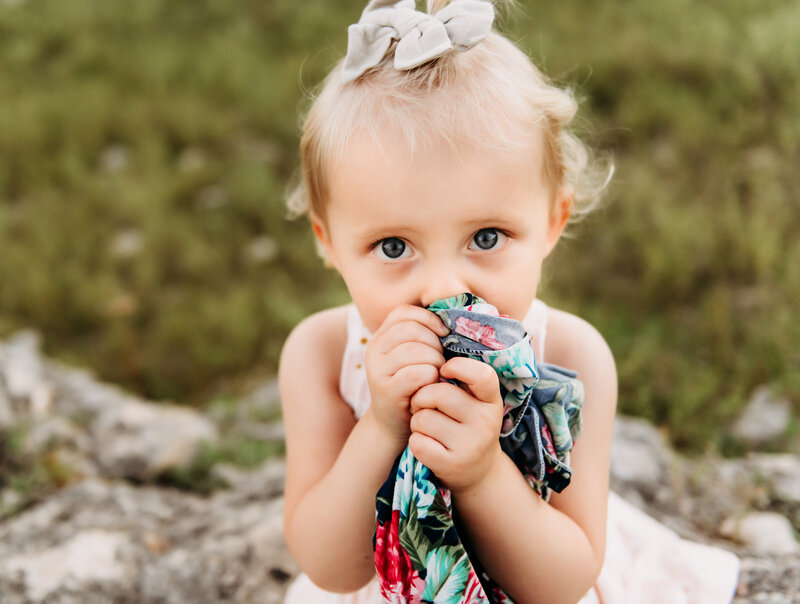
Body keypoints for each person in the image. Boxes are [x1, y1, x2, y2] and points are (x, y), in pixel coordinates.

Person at [279, 1, 740, 602]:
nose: (444, 288)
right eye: (393, 246)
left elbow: (565, 581)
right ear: (329, 242)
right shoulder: (320, 354)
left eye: (487, 238)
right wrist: (382, 425)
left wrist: (481, 475)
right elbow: (331, 569)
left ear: (553, 220)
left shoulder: (573, 355)